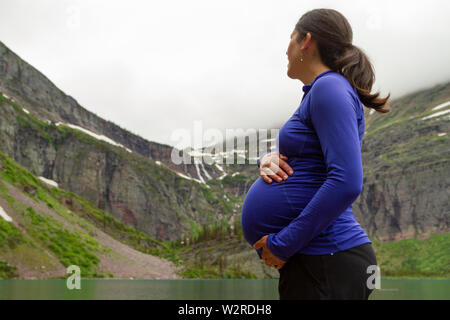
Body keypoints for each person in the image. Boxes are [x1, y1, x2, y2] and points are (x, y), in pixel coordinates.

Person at [240, 8, 391, 300]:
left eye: (290, 40)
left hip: (328, 260)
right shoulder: (322, 91)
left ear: (306, 41)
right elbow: (313, 161)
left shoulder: (329, 88)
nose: (286, 50)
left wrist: (283, 244)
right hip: (319, 261)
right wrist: (271, 158)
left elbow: (347, 181)